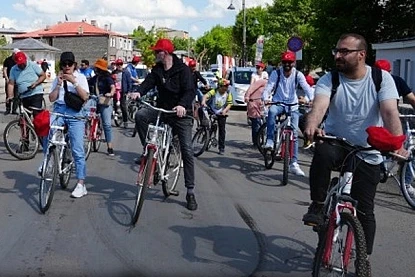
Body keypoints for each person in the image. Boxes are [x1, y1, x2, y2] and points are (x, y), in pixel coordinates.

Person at [302, 33, 407, 259]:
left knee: (366, 211)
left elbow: (389, 111)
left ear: (361, 55)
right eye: (337, 51)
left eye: (344, 52)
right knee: (322, 151)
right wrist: (312, 125)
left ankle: (363, 260)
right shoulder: (330, 79)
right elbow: (319, 107)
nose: (338, 56)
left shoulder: (381, 78)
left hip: (368, 150)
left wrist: (397, 143)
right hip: (336, 142)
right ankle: (318, 205)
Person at [132, 38, 198, 211]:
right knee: (140, 116)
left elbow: (190, 91)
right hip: (162, 110)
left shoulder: (183, 70)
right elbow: (148, 82)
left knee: (187, 150)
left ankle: (190, 191)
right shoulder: (158, 70)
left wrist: (183, 105)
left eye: (156, 52)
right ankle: (149, 150)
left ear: (165, 53)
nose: (154, 54)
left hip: (180, 114)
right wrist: (138, 92)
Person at [262, 51, 314, 176]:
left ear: (293, 63)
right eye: (285, 62)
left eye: (289, 63)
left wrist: (310, 99)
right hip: (278, 103)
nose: (287, 65)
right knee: (272, 112)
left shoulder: (298, 75)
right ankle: (270, 140)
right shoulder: (276, 73)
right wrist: (266, 98)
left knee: (294, 133)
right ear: (281, 63)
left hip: (293, 106)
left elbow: (307, 88)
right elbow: (269, 87)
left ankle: (294, 163)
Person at [47, 51, 90, 198]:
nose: (66, 67)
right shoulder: (57, 78)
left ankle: (81, 184)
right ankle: (48, 160)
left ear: (74, 65)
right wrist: (58, 85)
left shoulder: (81, 77)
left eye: (69, 64)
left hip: (75, 113)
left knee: (77, 148)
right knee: (49, 132)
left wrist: (73, 81)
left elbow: (85, 97)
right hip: (59, 109)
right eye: (63, 64)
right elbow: (51, 98)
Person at [374, 59, 415, 198]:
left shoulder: (372, 78)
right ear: (390, 70)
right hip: (392, 117)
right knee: (400, 142)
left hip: (377, 117)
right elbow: (411, 99)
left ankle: (382, 166)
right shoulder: (397, 80)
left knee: (377, 143)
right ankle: (406, 181)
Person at [7, 51, 46, 119]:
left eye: (23, 63)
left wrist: (36, 83)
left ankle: (37, 128)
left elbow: (43, 75)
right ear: (16, 63)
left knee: (37, 115)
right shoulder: (13, 69)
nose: (22, 65)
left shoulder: (32, 65)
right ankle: (26, 128)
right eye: (20, 64)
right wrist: (10, 96)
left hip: (36, 92)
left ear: (25, 60)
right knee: (24, 117)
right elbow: (11, 84)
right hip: (24, 95)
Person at [90, 58, 116, 156]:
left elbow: (112, 87)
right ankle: (89, 133)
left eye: (97, 68)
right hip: (95, 101)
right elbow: (87, 84)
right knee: (86, 116)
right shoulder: (95, 78)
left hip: (105, 102)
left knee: (107, 125)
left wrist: (111, 93)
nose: (96, 70)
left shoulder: (108, 78)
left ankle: (110, 147)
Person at [200, 78, 233, 155]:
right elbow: (206, 96)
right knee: (208, 125)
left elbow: (230, 104)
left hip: (221, 113)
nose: (225, 88)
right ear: (220, 86)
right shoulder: (214, 91)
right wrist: (203, 102)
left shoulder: (228, 93)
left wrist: (225, 111)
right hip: (211, 110)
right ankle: (206, 138)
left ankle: (221, 148)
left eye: (227, 87)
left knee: (222, 130)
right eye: (224, 87)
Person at [244, 75, 268, 147]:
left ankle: (265, 140)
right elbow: (252, 87)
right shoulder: (263, 81)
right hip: (253, 103)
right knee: (256, 123)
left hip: (263, 105)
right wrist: (247, 96)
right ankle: (256, 142)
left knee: (266, 123)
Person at [112, 58, 132, 128]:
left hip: (123, 91)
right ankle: (117, 117)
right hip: (115, 91)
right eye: (118, 64)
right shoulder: (114, 72)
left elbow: (129, 82)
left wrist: (129, 91)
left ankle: (125, 121)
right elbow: (111, 81)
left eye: (120, 64)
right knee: (115, 105)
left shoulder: (126, 72)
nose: (119, 66)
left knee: (123, 106)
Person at [3, 48, 19, 115]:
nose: (16, 56)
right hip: (9, 80)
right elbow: (5, 69)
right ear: (13, 54)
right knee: (8, 95)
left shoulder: (18, 60)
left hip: (17, 80)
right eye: (15, 54)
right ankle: (8, 109)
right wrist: (6, 78)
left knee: (17, 96)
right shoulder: (7, 60)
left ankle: (14, 110)